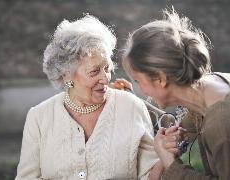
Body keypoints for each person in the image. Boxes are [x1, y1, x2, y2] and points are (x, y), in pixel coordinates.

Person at [15, 15, 182, 180]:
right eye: (94, 71)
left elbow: (148, 176)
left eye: (107, 68)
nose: (105, 78)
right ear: (67, 75)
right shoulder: (39, 117)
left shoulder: (131, 107)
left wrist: (164, 155)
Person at [122, 8, 230, 180]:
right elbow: (191, 124)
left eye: (138, 81)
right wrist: (172, 141)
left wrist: (170, 163)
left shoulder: (224, 128)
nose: (141, 90)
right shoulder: (215, 84)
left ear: (160, 79)